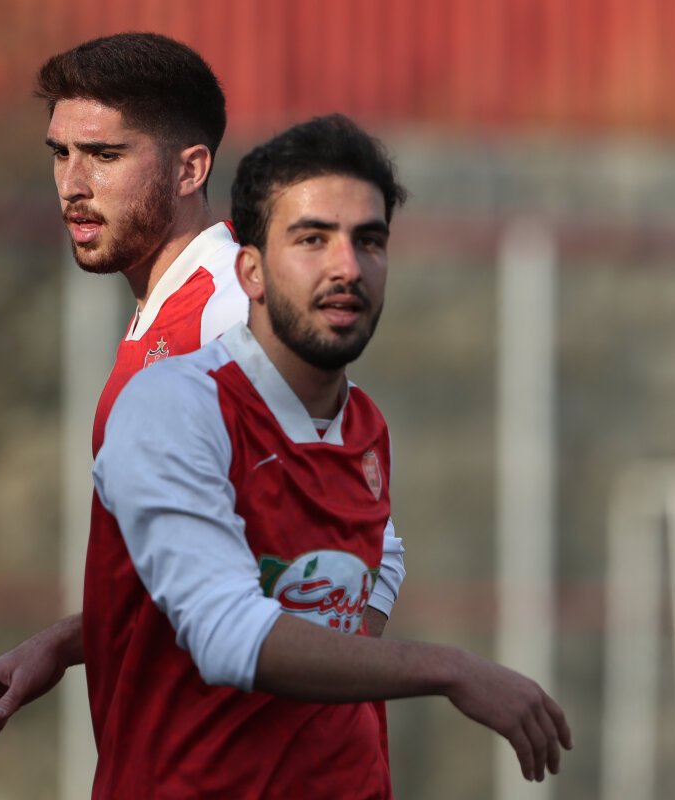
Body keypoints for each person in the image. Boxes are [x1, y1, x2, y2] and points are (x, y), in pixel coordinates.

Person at [0, 34, 406, 773]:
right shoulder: (168, 313)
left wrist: (295, 731)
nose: (73, 184)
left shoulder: (226, 309)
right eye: (61, 154)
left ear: (191, 168)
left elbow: (367, 542)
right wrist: (73, 641)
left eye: (105, 155)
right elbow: (224, 565)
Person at [82, 114, 573, 797]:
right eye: (312, 239)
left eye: (368, 241)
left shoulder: (363, 423)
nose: (347, 267)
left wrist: (328, 691)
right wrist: (451, 670)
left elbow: (378, 558)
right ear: (250, 271)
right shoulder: (174, 406)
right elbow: (225, 632)